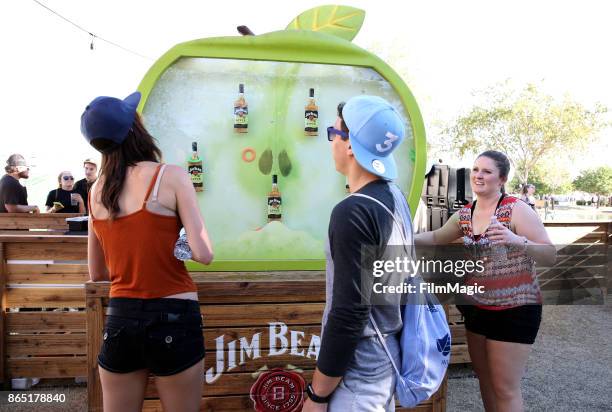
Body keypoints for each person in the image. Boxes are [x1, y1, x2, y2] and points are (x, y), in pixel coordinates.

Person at [81, 91, 214, 412]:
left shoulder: (96, 191)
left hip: (122, 317)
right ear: (134, 129)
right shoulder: (171, 176)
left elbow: (96, 273)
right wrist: (176, 240)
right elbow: (204, 252)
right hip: (174, 315)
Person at [415, 150, 556, 412]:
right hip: (478, 310)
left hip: (516, 311)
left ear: (501, 179)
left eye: (487, 171)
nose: (478, 175)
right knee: (486, 381)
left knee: (505, 388)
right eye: (476, 169)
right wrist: (397, 238)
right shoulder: (466, 214)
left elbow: (550, 255)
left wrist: (516, 241)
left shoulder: (516, 209)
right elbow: (436, 237)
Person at [304, 96, 410, 411]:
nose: (331, 143)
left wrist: (317, 394)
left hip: (357, 380)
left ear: (349, 145)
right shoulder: (393, 197)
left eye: (332, 134)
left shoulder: (353, 211)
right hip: (385, 362)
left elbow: (349, 313)